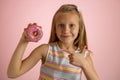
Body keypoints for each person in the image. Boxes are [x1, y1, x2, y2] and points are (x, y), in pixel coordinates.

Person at [7, 4, 100, 80]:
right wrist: (23, 41)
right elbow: (12, 73)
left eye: (71, 25)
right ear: (55, 29)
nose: (66, 30)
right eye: (61, 25)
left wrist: (84, 64)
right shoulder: (45, 50)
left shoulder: (83, 56)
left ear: (79, 29)